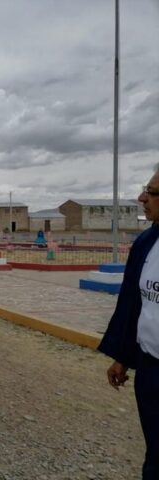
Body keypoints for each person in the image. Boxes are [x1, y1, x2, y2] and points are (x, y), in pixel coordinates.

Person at [98, 164, 159, 479]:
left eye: (152, 192)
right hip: (151, 369)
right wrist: (122, 356)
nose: (141, 198)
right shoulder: (147, 242)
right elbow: (132, 304)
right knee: (155, 454)